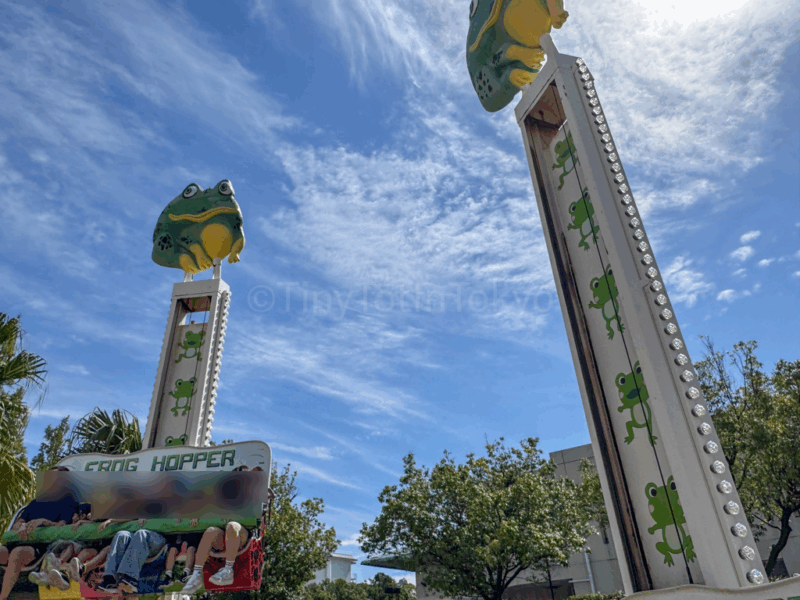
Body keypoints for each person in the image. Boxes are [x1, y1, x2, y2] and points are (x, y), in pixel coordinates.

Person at [0, 467, 80, 600]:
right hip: (18, 540)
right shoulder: (36, 502)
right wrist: (21, 526)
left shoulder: (68, 502)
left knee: (17, 553)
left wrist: (43, 521)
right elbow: (18, 522)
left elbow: (62, 525)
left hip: (40, 546)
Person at [97, 520, 167, 594]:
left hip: (157, 539)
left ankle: (129, 578)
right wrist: (110, 520)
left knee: (141, 533)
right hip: (136, 539)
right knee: (121, 535)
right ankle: (110, 579)